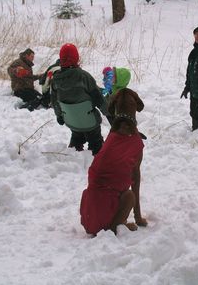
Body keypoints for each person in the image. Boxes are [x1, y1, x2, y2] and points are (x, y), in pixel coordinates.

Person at [80, 94, 146, 236]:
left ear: (114, 107)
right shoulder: (133, 142)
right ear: (135, 105)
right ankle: (114, 226)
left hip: (89, 216)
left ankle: (110, 221)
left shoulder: (112, 137)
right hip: (103, 218)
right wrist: (138, 217)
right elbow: (135, 178)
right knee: (129, 196)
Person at [51, 43, 105, 155]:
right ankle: (97, 153)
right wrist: (109, 114)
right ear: (76, 58)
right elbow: (99, 99)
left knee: (77, 133)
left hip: (71, 121)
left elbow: (55, 101)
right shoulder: (84, 76)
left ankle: (74, 148)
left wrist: (59, 115)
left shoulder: (55, 80)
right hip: (90, 122)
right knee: (96, 141)